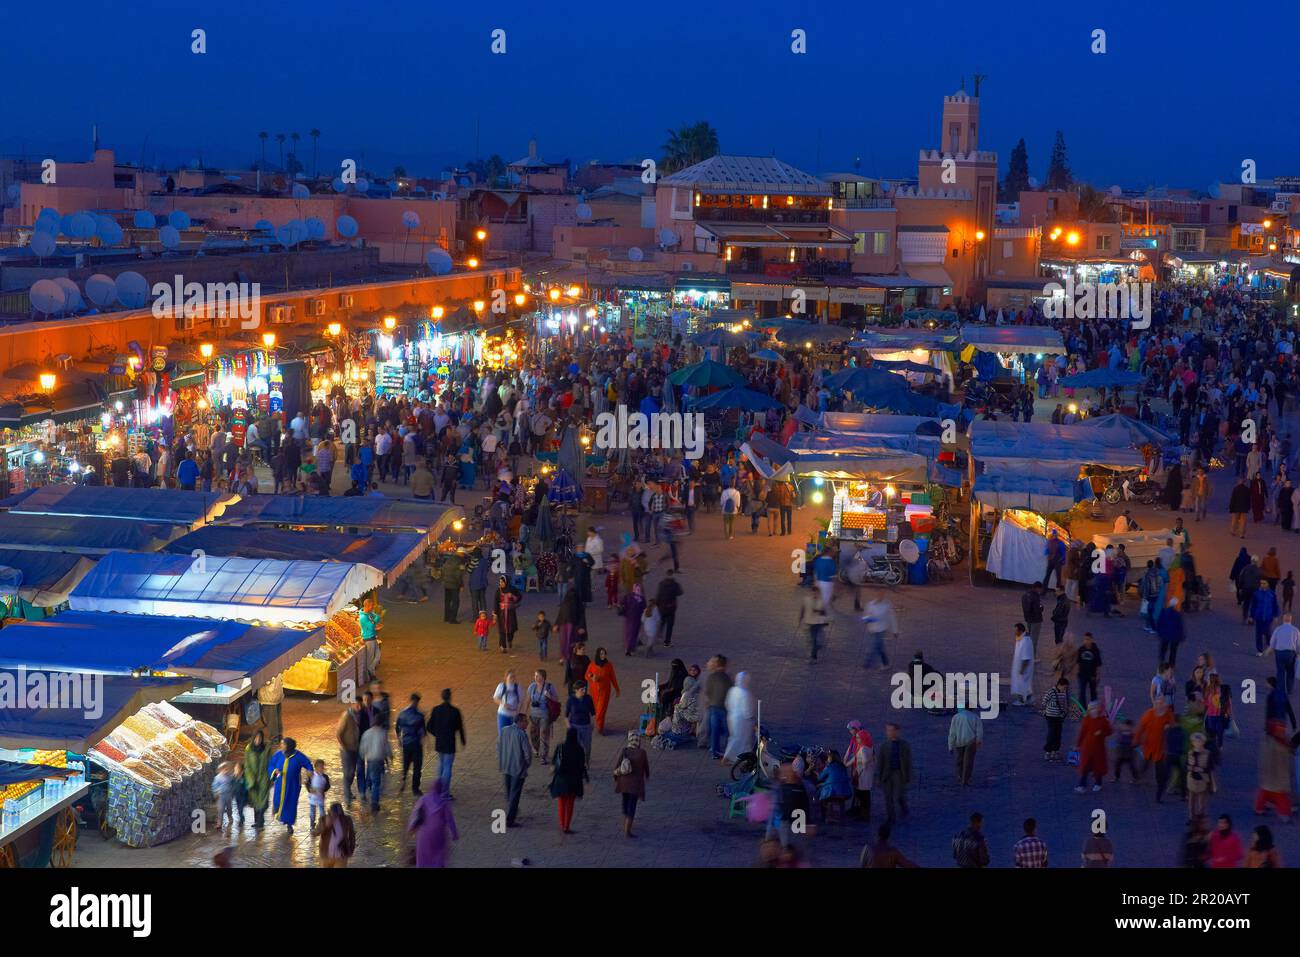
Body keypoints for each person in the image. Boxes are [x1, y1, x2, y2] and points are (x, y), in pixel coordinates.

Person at [407, 779, 459, 867]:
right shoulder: (443, 803)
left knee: (423, 857)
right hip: (438, 835)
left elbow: (415, 814)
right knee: (438, 855)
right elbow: (450, 820)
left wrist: (411, 828)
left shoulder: (423, 799)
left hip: (423, 834)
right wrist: (454, 834)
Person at [268, 737, 314, 834]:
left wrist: (309, 771)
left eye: (283, 744)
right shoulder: (278, 754)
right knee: (277, 800)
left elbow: (307, 763)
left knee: (290, 804)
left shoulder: (298, 756)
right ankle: (276, 810)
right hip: (280, 783)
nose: (281, 746)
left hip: (293, 786)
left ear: (289, 746)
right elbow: (271, 765)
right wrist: (274, 771)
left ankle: (289, 824)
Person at [426, 689, 465, 796]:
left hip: (439, 742)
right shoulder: (455, 711)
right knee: (447, 767)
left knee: (441, 765)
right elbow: (460, 727)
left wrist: (437, 734)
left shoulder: (436, 710)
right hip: (450, 743)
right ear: (450, 697)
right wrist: (462, 740)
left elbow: (429, 726)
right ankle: (445, 792)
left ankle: (439, 790)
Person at [613, 730, 651, 838]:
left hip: (624, 783)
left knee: (625, 802)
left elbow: (617, 766)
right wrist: (647, 776)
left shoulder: (625, 751)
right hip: (635, 785)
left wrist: (616, 777)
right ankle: (627, 829)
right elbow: (646, 768)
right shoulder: (642, 753)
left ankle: (625, 820)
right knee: (632, 806)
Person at [497, 712, 531, 828]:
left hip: (506, 766)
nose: (527, 723)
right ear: (520, 722)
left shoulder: (504, 730)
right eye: (526, 721)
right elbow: (527, 754)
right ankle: (510, 819)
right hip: (518, 769)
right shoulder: (522, 734)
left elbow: (498, 746)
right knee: (515, 793)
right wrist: (526, 765)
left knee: (509, 791)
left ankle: (512, 810)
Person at [1255, 721, 1293, 822]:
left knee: (1265, 792)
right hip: (1276, 776)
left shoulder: (1269, 741)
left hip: (1271, 775)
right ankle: (1284, 814)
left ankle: (1259, 808)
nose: (1282, 731)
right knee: (1280, 796)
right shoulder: (1276, 744)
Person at [876, 723, 911, 824]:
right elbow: (880, 762)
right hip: (887, 774)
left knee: (899, 795)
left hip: (899, 773)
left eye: (891, 730)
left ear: (897, 731)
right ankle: (891, 817)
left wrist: (908, 777)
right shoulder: (884, 746)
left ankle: (904, 809)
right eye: (888, 730)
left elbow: (908, 762)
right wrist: (879, 778)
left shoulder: (904, 745)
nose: (889, 733)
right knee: (888, 797)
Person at [1075, 700, 1112, 792]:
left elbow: (1110, 731)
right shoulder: (1087, 719)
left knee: (1098, 766)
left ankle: (1098, 783)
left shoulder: (1103, 720)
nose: (1093, 711)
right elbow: (1082, 732)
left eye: (1095, 709)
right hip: (1087, 748)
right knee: (1085, 767)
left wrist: (1102, 733)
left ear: (1099, 709)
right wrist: (1078, 744)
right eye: (1092, 709)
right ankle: (1082, 785)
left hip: (1098, 749)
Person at [584, 648, 621, 734]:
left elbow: (613, 677)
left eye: (604, 654)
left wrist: (617, 688)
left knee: (601, 709)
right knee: (598, 709)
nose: (603, 656)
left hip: (605, 691)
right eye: (601, 654)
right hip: (594, 691)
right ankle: (600, 726)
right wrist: (592, 677)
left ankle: (598, 724)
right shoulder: (592, 665)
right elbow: (586, 675)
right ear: (598, 655)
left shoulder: (608, 665)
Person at [395, 693, 427, 795]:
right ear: (417, 701)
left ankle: (404, 779)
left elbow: (397, 728)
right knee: (417, 767)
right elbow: (423, 731)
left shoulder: (402, 713)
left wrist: (399, 739)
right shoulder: (420, 715)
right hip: (416, 744)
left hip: (406, 743)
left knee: (406, 764)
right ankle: (415, 789)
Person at [525, 669, 559, 762]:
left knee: (544, 735)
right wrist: (524, 712)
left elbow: (556, 700)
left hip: (545, 715)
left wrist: (549, 696)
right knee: (533, 734)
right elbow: (528, 699)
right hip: (533, 715)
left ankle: (543, 755)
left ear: (543, 677)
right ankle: (536, 749)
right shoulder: (532, 686)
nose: (535, 678)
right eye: (535, 676)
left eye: (538, 676)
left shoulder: (549, 687)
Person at [722, 671, 756, 763]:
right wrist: (751, 719)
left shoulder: (732, 690)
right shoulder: (745, 693)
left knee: (736, 737)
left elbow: (727, 703)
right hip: (742, 720)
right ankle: (728, 757)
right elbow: (747, 710)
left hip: (731, 717)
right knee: (741, 739)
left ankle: (743, 758)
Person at [359, 716, 391, 813]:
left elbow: (362, 748)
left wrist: (362, 756)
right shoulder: (382, 733)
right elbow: (386, 747)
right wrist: (390, 756)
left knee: (371, 777)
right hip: (378, 761)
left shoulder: (367, 733)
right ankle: (374, 803)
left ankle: (368, 790)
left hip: (370, 760)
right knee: (376, 783)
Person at [704, 655, 733, 758]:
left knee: (714, 730)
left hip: (713, 706)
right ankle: (729, 751)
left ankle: (714, 751)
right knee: (728, 731)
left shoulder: (711, 676)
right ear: (724, 665)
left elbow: (707, 691)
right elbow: (730, 692)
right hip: (724, 708)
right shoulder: (727, 678)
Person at [844, 721, 874, 820]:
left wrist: (856, 768)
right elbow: (850, 751)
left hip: (861, 772)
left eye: (851, 729)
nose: (850, 732)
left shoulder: (862, 744)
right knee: (859, 791)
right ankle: (858, 809)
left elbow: (860, 758)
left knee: (862, 793)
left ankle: (862, 813)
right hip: (859, 771)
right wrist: (846, 760)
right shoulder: (857, 740)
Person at [336, 699, 364, 806]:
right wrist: (344, 747)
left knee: (352, 772)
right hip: (347, 750)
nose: (359, 707)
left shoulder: (358, 715)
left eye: (360, 705)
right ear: (352, 704)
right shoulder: (346, 716)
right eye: (357, 705)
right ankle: (347, 797)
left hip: (355, 748)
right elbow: (338, 733)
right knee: (348, 773)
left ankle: (348, 792)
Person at [948, 705, 983, 786]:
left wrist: (950, 746)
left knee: (960, 760)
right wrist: (978, 742)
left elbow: (952, 733)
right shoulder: (976, 717)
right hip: (971, 742)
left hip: (959, 742)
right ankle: (965, 779)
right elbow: (979, 732)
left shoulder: (956, 717)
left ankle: (960, 776)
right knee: (968, 762)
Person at [243, 729, 271, 828]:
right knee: (255, 800)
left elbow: (270, 762)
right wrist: (250, 779)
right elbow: (247, 765)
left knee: (263, 800)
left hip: (264, 777)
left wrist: (270, 776)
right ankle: (258, 821)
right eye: (256, 737)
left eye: (260, 737)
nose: (258, 739)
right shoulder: (248, 749)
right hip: (253, 778)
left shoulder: (266, 748)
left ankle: (260, 820)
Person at [862, 596, 897, 670]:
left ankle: (867, 662)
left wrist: (895, 630)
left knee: (873, 646)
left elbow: (892, 617)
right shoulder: (870, 604)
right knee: (880, 647)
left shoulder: (887, 605)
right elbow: (866, 616)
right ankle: (886, 663)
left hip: (881, 630)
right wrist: (867, 619)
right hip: (872, 629)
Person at [798, 587, 831, 661]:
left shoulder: (821, 601)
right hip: (809, 622)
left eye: (816, 593)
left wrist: (820, 612)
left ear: (818, 593)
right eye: (813, 593)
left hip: (818, 623)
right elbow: (802, 610)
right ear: (811, 593)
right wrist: (800, 619)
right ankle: (814, 652)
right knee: (813, 640)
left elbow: (824, 613)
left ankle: (814, 656)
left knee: (815, 640)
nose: (814, 594)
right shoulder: (806, 600)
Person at [318, 802, 355, 868]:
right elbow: (315, 833)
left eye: (339, 814)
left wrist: (351, 850)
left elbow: (352, 836)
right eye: (334, 814)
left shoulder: (347, 820)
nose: (337, 816)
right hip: (326, 856)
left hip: (341, 856)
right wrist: (325, 825)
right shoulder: (323, 819)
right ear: (330, 812)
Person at [1042, 676, 1069, 761]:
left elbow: (1064, 704)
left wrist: (1065, 712)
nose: (1065, 689)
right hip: (1050, 716)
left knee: (1058, 734)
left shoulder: (1063, 693)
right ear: (1059, 685)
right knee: (1051, 734)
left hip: (1059, 717)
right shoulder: (1050, 692)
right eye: (1064, 687)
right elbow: (1044, 702)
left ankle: (1055, 751)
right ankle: (1048, 751)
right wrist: (1045, 711)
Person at [654, 569, 683, 648]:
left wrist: (656, 604)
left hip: (662, 607)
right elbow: (680, 592)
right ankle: (667, 642)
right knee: (670, 626)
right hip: (671, 608)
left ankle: (657, 636)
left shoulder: (661, 584)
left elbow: (658, 595)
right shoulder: (675, 585)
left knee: (661, 622)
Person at [1010, 623, 1034, 706]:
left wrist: (1022, 670)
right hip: (1020, 667)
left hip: (1023, 669)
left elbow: (1026, 658)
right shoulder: (1021, 639)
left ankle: (1022, 701)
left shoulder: (1025, 641)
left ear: (1020, 631)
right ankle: (1027, 699)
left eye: (1016, 630)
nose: (1014, 632)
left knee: (1022, 685)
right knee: (1024, 685)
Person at [1076, 631, 1102, 704]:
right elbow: (1077, 661)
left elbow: (1098, 664)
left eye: (1087, 639)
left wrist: (1098, 675)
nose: (1086, 641)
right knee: (1082, 692)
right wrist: (1077, 672)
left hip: (1092, 675)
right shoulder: (1081, 649)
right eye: (1084, 639)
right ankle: (1083, 709)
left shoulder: (1095, 650)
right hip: (1082, 674)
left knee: (1093, 692)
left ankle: (1093, 708)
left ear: (1091, 640)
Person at [620, 582, 646, 656]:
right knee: (631, 633)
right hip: (632, 618)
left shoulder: (637, 597)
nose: (638, 590)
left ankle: (629, 647)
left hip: (633, 618)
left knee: (631, 633)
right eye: (637, 589)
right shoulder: (637, 597)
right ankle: (629, 649)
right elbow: (644, 607)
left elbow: (644, 607)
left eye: (638, 589)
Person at [257, 674, 284, 745]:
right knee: (277, 717)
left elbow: (264, 681)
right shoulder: (274, 665)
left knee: (271, 719)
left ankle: (274, 739)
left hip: (269, 697)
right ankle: (279, 735)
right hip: (277, 694)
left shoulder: (265, 668)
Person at [306, 759, 329, 833]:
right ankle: (312, 825)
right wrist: (310, 790)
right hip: (313, 798)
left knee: (322, 813)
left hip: (321, 798)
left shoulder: (325, 777)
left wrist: (323, 790)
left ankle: (323, 825)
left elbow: (328, 785)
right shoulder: (312, 776)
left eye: (322, 767)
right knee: (312, 813)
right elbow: (307, 783)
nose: (321, 769)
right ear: (315, 768)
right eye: (319, 767)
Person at [1021, 583, 1044, 655]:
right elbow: (1037, 609)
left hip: (1028, 619)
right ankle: (1032, 657)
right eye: (1040, 589)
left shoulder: (1025, 595)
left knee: (1030, 637)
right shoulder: (1035, 596)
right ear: (1038, 588)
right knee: (1034, 639)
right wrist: (1042, 607)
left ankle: (1027, 654)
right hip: (1036, 620)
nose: (1041, 591)